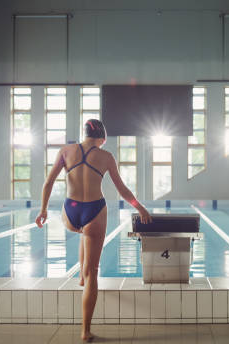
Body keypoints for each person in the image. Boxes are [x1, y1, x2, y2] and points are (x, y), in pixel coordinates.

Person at [35, 119, 152, 342]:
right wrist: (141, 208)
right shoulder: (106, 157)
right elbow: (122, 190)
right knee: (93, 271)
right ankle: (85, 330)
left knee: (83, 233)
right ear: (101, 137)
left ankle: (81, 275)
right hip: (95, 211)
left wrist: (42, 210)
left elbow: (48, 183)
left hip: (70, 212)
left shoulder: (65, 150)